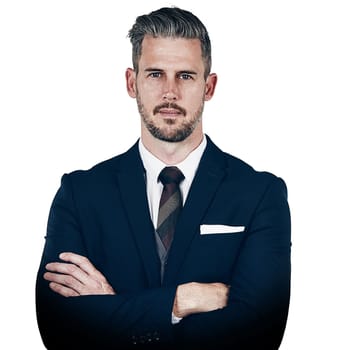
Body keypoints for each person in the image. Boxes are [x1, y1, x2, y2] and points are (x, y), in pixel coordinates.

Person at [36, 6, 291, 350]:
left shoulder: (260, 194)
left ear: (209, 86)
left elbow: (259, 333)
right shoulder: (79, 194)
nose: (170, 92)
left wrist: (111, 310)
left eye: (185, 75)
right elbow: (59, 328)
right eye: (155, 74)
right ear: (132, 82)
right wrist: (178, 302)